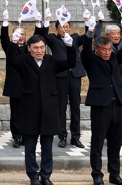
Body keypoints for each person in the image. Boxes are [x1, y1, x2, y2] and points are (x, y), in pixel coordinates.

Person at [12, 34, 76, 185]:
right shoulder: (23, 60)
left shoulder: (51, 60)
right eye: (35, 48)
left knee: (47, 146)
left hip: (49, 109)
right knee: (30, 147)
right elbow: (11, 61)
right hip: (30, 109)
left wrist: (70, 47)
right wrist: (14, 44)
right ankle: (33, 176)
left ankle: (46, 175)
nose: (39, 51)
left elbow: (70, 63)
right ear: (29, 48)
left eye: (42, 47)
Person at [81, 16, 122, 185]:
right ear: (97, 49)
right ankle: (97, 174)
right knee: (97, 142)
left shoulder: (115, 58)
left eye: (109, 49)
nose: (107, 52)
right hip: (101, 106)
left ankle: (114, 174)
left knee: (115, 143)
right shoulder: (91, 60)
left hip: (117, 104)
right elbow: (85, 51)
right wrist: (89, 32)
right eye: (104, 49)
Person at [35, 12, 86, 149]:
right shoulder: (53, 39)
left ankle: (76, 137)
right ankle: (62, 136)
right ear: (57, 29)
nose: (65, 29)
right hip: (60, 76)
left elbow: (87, 37)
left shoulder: (75, 38)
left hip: (74, 75)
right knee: (61, 107)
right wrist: (46, 21)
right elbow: (43, 36)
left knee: (75, 107)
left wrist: (89, 23)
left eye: (67, 26)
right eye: (62, 27)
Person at [95, 17, 122, 148]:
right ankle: (106, 136)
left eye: (118, 34)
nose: (117, 36)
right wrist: (97, 24)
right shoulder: (105, 50)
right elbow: (96, 37)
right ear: (107, 36)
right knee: (107, 112)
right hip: (107, 84)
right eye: (114, 34)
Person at [0, 13, 27, 148]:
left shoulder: (30, 47)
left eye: (23, 35)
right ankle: (16, 137)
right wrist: (5, 22)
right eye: (18, 34)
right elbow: (4, 38)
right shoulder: (10, 47)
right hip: (15, 87)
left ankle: (26, 136)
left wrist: (40, 23)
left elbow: (40, 36)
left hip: (28, 86)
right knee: (15, 113)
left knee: (28, 113)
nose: (21, 37)